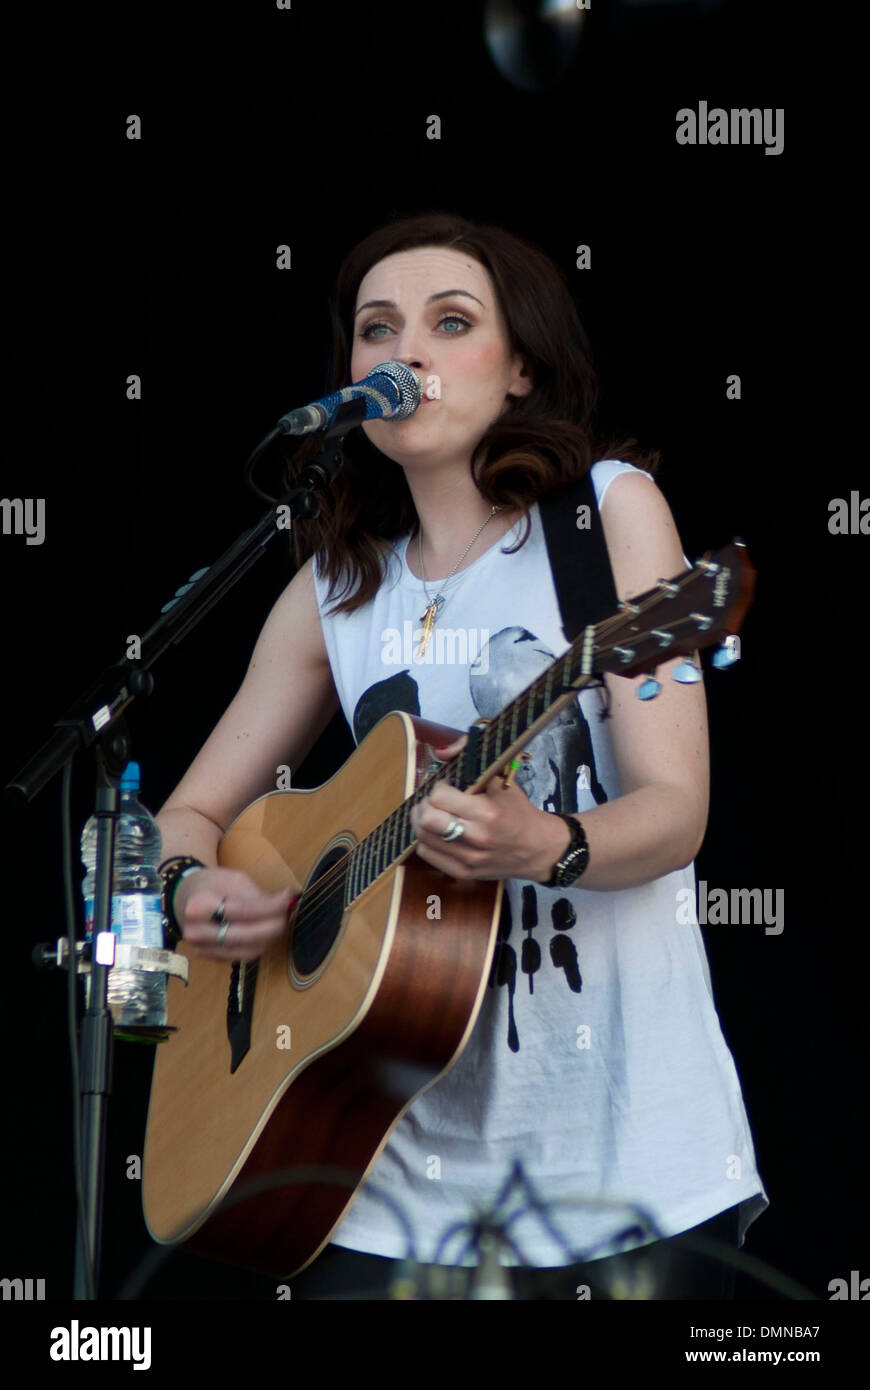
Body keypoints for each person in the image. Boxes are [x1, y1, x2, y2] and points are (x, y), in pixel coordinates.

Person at [155, 212, 768, 1300]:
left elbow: (677, 811)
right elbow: (187, 816)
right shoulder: (335, 588)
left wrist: (547, 842)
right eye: (376, 330)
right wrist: (191, 889)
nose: (405, 355)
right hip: (380, 1172)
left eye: (450, 322)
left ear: (521, 364)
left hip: (627, 1156)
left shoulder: (603, 518)